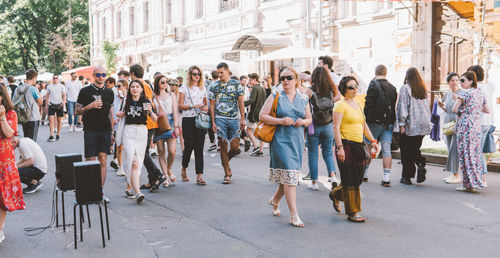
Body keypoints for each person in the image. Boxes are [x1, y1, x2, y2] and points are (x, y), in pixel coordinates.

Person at [260, 67, 312, 227]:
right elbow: (261, 116)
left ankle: (275, 200)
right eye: (282, 78)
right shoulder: (275, 95)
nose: (285, 81)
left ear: (296, 80)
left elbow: (309, 118)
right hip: (280, 141)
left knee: (290, 176)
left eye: (289, 78)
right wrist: (280, 121)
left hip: (296, 142)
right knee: (290, 176)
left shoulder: (303, 98)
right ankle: (294, 215)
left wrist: (303, 122)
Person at [329, 76, 378, 223]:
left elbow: (363, 125)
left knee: (358, 177)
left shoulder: (358, 103)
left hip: (359, 144)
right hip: (345, 144)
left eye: (356, 86)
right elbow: (335, 128)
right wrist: (340, 148)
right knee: (350, 179)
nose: (355, 89)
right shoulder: (339, 105)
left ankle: (336, 194)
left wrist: (373, 140)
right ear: (344, 89)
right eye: (351, 87)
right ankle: (353, 212)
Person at [75, 66, 114, 201]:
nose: (101, 77)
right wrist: (89, 106)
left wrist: (112, 132)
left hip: (105, 130)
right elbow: (77, 110)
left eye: (104, 74)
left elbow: (111, 112)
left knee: (103, 159)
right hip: (90, 129)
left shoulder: (110, 93)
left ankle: (100, 191)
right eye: (98, 75)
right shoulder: (85, 91)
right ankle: (89, 189)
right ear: (93, 76)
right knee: (90, 160)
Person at [116, 80, 157, 203]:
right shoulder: (126, 100)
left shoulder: (145, 101)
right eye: (132, 87)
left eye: (137, 87)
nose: (134, 89)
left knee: (137, 162)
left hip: (141, 132)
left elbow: (155, 118)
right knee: (132, 161)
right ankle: (138, 192)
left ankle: (129, 187)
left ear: (141, 89)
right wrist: (122, 114)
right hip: (129, 131)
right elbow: (118, 114)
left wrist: (150, 112)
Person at [452, 71, 489, 192]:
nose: (460, 83)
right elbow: (487, 110)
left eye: (462, 80)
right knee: (474, 153)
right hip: (476, 124)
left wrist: (464, 111)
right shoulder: (480, 93)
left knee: (464, 153)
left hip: (465, 124)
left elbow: (454, 109)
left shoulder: (464, 93)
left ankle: (467, 183)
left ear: (471, 81)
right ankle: (476, 181)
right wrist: (474, 110)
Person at [209, 62, 245, 184]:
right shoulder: (214, 86)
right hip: (220, 119)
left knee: (235, 147)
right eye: (218, 72)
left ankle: (225, 161)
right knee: (223, 145)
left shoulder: (236, 84)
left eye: (221, 72)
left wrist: (243, 119)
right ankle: (227, 172)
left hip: (234, 119)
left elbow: (241, 102)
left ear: (227, 71)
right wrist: (213, 122)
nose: (219, 75)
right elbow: (212, 105)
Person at [129, 64, 163, 192]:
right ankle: (153, 178)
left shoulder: (140, 84)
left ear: (132, 73)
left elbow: (147, 104)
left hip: (146, 123)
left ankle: (157, 175)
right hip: (147, 123)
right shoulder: (146, 84)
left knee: (142, 152)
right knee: (143, 152)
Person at [304, 66, 338, 190]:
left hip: (314, 125)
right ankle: (333, 176)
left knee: (313, 154)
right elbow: (337, 98)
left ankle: (314, 183)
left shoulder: (310, 90)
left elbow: (302, 103)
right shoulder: (330, 90)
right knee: (328, 152)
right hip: (328, 125)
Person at [363, 65, 398, 186]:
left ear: (375, 72)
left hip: (374, 123)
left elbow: (368, 104)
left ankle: (365, 174)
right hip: (388, 123)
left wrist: (365, 121)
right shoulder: (393, 88)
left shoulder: (373, 85)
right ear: (386, 73)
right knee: (387, 150)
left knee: (368, 146)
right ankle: (386, 178)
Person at [396, 67, 432, 185]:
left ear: (407, 76)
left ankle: (407, 176)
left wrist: (401, 123)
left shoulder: (405, 88)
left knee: (406, 151)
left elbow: (403, 106)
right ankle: (420, 163)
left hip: (411, 123)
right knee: (414, 148)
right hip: (423, 124)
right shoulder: (422, 89)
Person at [0, 85, 25, 243]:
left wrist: (2, 116)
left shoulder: (11, 113)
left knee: (2, 198)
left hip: (4, 161)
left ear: (2, 97)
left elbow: (9, 133)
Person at [179, 66, 208, 184]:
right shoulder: (184, 88)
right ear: (190, 75)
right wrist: (192, 106)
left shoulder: (202, 88)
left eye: (199, 74)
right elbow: (180, 105)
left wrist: (204, 109)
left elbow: (206, 104)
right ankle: (184, 168)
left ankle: (199, 175)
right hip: (188, 119)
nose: (197, 76)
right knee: (189, 145)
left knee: (199, 147)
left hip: (200, 118)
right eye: (194, 74)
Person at [468, 65, 494, 187]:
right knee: (480, 151)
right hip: (488, 122)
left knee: (477, 151)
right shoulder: (489, 87)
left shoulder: (478, 89)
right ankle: (480, 178)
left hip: (479, 122)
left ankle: (482, 179)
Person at [153, 74, 181, 186]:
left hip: (170, 121)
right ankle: (165, 176)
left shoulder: (171, 94)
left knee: (172, 151)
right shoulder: (153, 96)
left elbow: (175, 111)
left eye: (166, 82)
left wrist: (176, 126)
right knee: (161, 151)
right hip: (159, 123)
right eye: (162, 82)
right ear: (157, 83)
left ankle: (168, 169)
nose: (165, 85)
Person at [438, 72, 461, 184]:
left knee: (454, 148)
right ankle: (453, 173)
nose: (455, 82)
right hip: (447, 122)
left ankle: (456, 175)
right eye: (453, 80)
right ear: (448, 82)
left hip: (457, 122)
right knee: (449, 147)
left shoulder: (462, 93)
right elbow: (447, 109)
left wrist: (458, 99)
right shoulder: (447, 93)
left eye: (457, 80)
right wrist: (442, 106)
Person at [12, 69, 42, 141]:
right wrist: (38, 90)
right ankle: (30, 153)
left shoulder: (18, 89)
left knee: (26, 139)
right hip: (33, 117)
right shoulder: (33, 89)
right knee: (32, 142)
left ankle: (26, 152)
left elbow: (13, 102)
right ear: (34, 78)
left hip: (23, 117)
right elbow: (40, 102)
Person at [244, 73, 266, 156]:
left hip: (254, 112)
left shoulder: (255, 88)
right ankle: (261, 150)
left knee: (248, 130)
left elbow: (251, 100)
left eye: (250, 79)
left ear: (255, 79)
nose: (249, 81)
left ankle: (256, 146)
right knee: (261, 132)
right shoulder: (262, 88)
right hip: (262, 112)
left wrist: (241, 104)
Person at [110, 79, 128, 176]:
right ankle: (120, 167)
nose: (117, 88)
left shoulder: (129, 97)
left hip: (129, 125)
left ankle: (128, 168)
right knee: (119, 146)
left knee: (129, 148)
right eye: (116, 86)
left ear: (125, 86)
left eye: (119, 86)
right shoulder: (114, 97)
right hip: (119, 124)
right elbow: (113, 110)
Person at [45, 75, 67, 141]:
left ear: (58, 79)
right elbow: (47, 96)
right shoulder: (49, 86)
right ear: (52, 79)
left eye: (56, 78)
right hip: (51, 104)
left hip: (59, 105)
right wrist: (46, 106)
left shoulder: (61, 86)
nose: (55, 79)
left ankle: (58, 133)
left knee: (59, 120)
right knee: (51, 119)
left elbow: (64, 95)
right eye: (54, 78)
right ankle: (51, 135)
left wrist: (63, 102)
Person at [206, 71, 218, 151]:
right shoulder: (222, 85)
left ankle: (213, 142)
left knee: (210, 125)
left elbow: (208, 98)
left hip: (212, 108)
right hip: (221, 109)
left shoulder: (211, 85)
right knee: (220, 125)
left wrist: (208, 108)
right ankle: (220, 144)